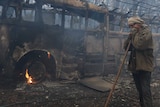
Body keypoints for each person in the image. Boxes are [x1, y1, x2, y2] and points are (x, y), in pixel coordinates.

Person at [123, 16, 154, 107]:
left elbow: (139, 45)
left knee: (145, 91)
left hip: (144, 66)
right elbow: (126, 47)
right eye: (130, 26)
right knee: (140, 90)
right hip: (135, 66)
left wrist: (133, 35)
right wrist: (129, 37)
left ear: (138, 24)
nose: (131, 28)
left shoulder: (146, 32)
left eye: (132, 25)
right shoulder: (134, 33)